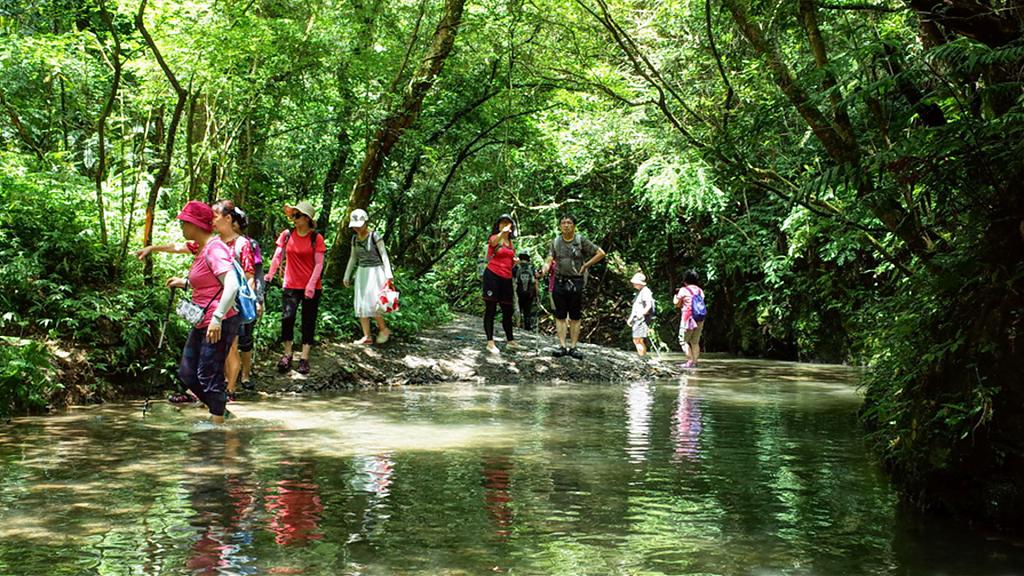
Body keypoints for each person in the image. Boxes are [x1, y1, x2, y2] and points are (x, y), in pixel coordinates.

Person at [137, 200, 240, 423]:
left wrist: (217, 319)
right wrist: (184, 282)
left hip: (218, 321)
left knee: (207, 374)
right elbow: (210, 282)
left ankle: (219, 430)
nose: (182, 226)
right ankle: (220, 410)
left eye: (184, 222)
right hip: (204, 319)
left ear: (195, 224)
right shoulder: (202, 248)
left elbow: (232, 284)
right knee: (187, 374)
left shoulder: (214, 249)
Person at [263, 201, 326, 375]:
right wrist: (270, 274)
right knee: (287, 317)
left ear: (307, 218)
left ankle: (304, 358)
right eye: (293, 215)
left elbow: (319, 264)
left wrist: (311, 285)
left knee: (308, 321)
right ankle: (287, 354)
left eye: (297, 215)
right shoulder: (287, 235)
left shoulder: (316, 238)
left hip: (311, 287)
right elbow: (277, 257)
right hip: (290, 284)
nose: (293, 219)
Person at [540, 214, 606, 358]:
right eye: (563, 223)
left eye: (569, 223)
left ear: (574, 226)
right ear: (560, 226)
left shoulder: (580, 240)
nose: (566, 225)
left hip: (576, 280)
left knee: (575, 315)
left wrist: (586, 265)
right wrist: (543, 270)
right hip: (559, 280)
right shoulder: (556, 242)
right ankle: (562, 346)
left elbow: (600, 253)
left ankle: (574, 347)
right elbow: (549, 259)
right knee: (560, 315)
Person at [211, 200, 256, 401]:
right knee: (220, 345)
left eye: (215, 215)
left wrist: (251, 301)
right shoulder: (214, 242)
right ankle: (219, 385)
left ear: (228, 219)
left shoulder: (242, 244)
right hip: (215, 301)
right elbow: (187, 247)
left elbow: (249, 275)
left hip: (234, 302)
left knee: (231, 346)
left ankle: (230, 389)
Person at [343, 208, 394, 345]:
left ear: (365, 223)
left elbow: (384, 254)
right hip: (362, 272)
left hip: (376, 272)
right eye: (355, 226)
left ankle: (383, 329)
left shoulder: (375, 236)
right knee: (361, 304)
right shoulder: (354, 239)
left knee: (373, 303)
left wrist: (388, 274)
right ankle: (367, 336)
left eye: (359, 226)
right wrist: (347, 275)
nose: (358, 229)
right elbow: (353, 258)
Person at [482, 214, 519, 354]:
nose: (505, 225)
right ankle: (490, 342)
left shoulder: (511, 243)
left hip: (506, 278)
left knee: (507, 310)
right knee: (491, 308)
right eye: (502, 223)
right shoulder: (494, 238)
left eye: (508, 223)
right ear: (498, 225)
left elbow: (510, 259)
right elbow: (492, 244)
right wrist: (501, 233)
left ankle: (510, 341)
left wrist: (515, 262)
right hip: (492, 275)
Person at [673, 269, 706, 368]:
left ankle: (689, 361)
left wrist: (675, 296)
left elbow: (676, 304)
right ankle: (695, 362)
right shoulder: (700, 290)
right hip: (700, 318)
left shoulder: (683, 290)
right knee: (695, 341)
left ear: (685, 280)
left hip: (688, 319)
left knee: (683, 340)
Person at [626, 272, 654, 357]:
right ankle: (643, 357)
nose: (633, 284)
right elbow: (636, 307)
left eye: (635, 283)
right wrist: (631, 318)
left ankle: (642, 357)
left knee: (637, 339)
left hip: (641, 319)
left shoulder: (645, 291)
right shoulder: (640, 292)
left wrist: (641, 314)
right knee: (638, 339)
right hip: (637, 318)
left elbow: (648, 305)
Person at [513, 251, 538, 330]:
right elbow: (535, 280)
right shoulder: (532, 267)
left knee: (518, 308)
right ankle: (527, 326)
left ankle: (518, 325)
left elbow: (513, 279)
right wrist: (537, 292)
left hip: (518, 291)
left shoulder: (516, 267)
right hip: (529, 292)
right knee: (528, 309)